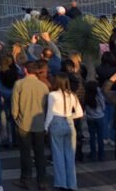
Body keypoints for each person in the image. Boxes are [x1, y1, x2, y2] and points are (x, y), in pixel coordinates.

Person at [12, 60, 49, 190]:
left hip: (24, 123)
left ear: (25, 70)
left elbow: (14, 107)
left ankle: (26, 179)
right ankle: (42, 180)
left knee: (25, 153)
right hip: (39, 124)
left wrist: (17, 119)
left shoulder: (19, 84)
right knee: (40, 153)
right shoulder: (43, 86)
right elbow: (46, 106)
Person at [44, 72, 83, 191]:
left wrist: (46, 126)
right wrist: (70, 116)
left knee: (58, 154)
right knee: (70, 155)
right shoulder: (72, 95)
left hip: (56, 121)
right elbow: (80, 113)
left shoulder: (52, 95)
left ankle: (61, 183)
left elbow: (50, 113)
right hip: (69, 123)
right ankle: (72, 183)